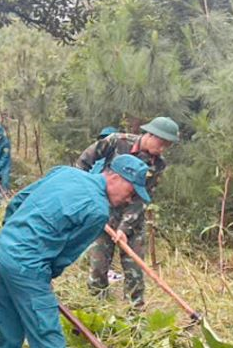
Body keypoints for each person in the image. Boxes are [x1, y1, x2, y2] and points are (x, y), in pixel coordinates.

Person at [0, 155, 151, 348]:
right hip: (27, 267)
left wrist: (11, 238)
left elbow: (18, 202)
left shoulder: (64, 172)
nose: (129, 199)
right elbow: (66, 254)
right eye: (130, 191)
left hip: (0, 254)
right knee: (50, 345)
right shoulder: (97, 210)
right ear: (114, 177)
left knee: (9, 339)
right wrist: (41, 275)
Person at [74, 117, 179, 306]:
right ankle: (97, 307)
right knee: (98, 266)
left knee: (134, 269)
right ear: (150, 134)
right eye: (161, 143)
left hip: (132, 219)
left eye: (167, 146)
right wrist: (86, 194)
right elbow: (83, 162)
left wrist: (124, 228)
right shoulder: (117, 141)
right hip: (102, 212)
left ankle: (134, 316)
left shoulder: (158, 165)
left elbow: (141, 199)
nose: (163, 149)